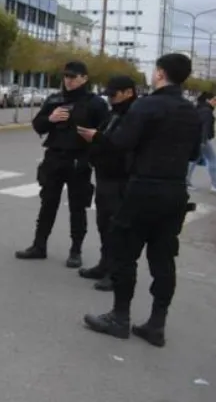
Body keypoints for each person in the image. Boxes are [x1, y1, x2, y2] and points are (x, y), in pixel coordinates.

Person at [79, 53, 200, 347]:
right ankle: (156, 324)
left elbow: (121, 143)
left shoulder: (146, 106)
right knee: (163, 260)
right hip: (174, 192)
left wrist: (96, 138)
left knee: (124, 254)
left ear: (160, 73)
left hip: (143, 187)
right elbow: (195, 154)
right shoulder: (192, 111)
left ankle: (120, 317)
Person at [16, 60, 109, 267]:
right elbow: (38, 125)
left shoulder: (96, 104)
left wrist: (92, 144)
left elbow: (106, 134)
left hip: (79, 160)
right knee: (47, 203)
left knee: (77, 207)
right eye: (66, 76)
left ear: (84, 78)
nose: (68, 81)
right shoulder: (55, 99)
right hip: (54, 158)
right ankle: (39, 245)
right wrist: (51, 118)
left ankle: (75, 251)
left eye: (73, 77)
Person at [79, 75, 138, 292]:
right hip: (105, 176)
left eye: (114, 94)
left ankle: (115, 273)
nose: (111, 99)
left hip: (120, 178)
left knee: (117, 227)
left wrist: (97, 138)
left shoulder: (133, 115)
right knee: (104, 223)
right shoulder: (115, 113)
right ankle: (105, 265)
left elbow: (119, 144)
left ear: (128, 92)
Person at [185, 91, 216, 198]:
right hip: (202, 140)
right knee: (212, 160)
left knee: (194, 161)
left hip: (196, 139)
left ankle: (186, 180)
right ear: (208, 100)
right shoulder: (207, 111)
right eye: (214, 100)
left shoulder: (199, 108)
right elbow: (205, 128)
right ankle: (214, 185)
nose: (215, 102)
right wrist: (203, 142)